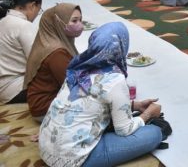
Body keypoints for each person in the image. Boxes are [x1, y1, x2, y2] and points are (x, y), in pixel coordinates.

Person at [39, 22, 163, 167]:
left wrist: (134, 105)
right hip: (72, 160)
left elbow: (89, 102)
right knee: (154, 133)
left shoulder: (77, 69)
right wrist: (147, 114)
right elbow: (124, 130)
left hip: (45, 149)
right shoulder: (114, 79)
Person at [25, 3, 82, 120]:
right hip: (45, 108)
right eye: (74, 21)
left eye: (80, 20)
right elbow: (73, 84)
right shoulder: (56, 52)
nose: (80, 25)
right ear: (57, 23)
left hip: (43, 102)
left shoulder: (48, 42)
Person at [0, 0, 42, 104]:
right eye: (38, 11)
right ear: (32, 6)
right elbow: (38, 62)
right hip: (16, 90)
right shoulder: (25, 26)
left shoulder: (3, 21)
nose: (36, 15)